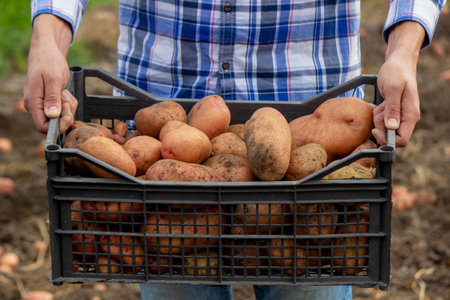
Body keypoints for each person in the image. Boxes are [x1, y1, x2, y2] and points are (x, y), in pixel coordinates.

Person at [24, 1, 446, 299]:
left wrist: (403, 52)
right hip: (157, 112)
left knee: (312, 272)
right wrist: (47, 39)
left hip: (316, 125)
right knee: (170, 263)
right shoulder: (162, 146)